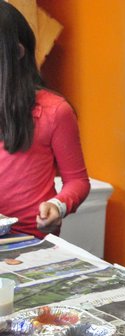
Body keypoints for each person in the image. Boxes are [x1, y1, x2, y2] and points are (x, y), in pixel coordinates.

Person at [0, 2, 90, 239]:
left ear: (16, 53)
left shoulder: (55, 111)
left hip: (29, 241)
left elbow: (78, 181)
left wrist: (59, 205)